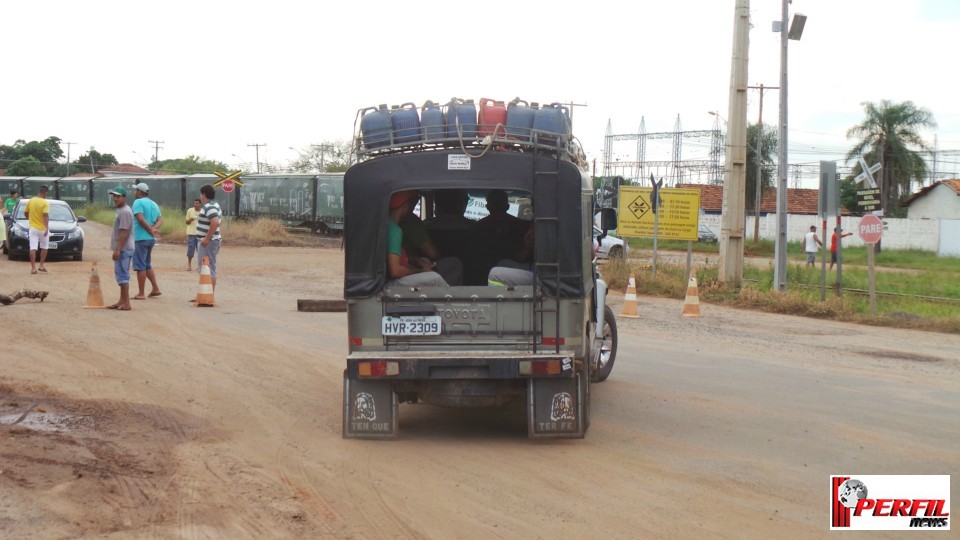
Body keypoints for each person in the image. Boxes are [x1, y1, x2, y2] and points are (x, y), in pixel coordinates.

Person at [398, 192, 463, 285]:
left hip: (410, 266)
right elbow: (433, 253)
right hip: (406, 272)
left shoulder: (391, 227)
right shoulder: (407, 223)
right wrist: (421, 269)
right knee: (453, 264)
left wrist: (418, 261)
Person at [387, 190, 449, 287]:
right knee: (434, 278)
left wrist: (416, 260)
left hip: (391, 278)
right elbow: (395, 271)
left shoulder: (386, 225)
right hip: (392, 283)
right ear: (406, 205)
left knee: (426, 263)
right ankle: (454, 301)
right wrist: (421, 271)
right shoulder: (394, 230)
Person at [130, 183, 163, 299]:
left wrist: (149, 229)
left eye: (136, 191)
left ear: (139, 191)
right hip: (150, 239)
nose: (134, 193)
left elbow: (139, 218)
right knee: (147, 264)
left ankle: (141, 293)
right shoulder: (154, 203)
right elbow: (160, 219)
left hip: (140, 238)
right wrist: (154, 229)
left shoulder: (138, 202)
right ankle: (155, 288)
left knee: (140, 266)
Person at [107, 187, 135, 311]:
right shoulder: (121, 210)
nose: (115, 199)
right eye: (114, 197)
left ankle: (126, 303)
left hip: (124, 248)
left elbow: (124, 232)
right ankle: (121, 301)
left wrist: (118, 249)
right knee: (120, 274)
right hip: (123, 248)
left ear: (124, 197)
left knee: (123, 275)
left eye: (118, 196)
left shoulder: (125, 212)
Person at [196, 184, 222, 293]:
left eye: (201, 194)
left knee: (207, 268)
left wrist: (207, 238)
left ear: (204, 194)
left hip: (208, 242)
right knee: (207, 267)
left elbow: (215, 221)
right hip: (212, 240)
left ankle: (208, 295)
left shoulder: (209, 207)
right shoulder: (215, 205)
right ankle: (205, 293)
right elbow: (219, 221)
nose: (200, 197)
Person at [24, 185, 50, 274]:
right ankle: (41, 265)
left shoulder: (31, 200)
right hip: (42, 228)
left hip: (33, 228)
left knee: (33, 248)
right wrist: (46, 228)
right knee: (45, 247)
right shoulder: (45, 203)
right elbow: (45, 216)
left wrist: (31, 220)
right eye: (47, 193)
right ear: (45, 192)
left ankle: (33, 268)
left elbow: (26, 213)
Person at [185, 198, 202, 271]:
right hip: (191, 233)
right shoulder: (190, 210)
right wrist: (191, 219)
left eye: (197, 203)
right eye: (195, 203)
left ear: (200, 204)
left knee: (200, 251)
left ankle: (200, 266)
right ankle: (189, 265)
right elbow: (186, 222)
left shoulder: (202, 212)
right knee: (190, 249)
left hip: (200, 234)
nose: (196, 205)